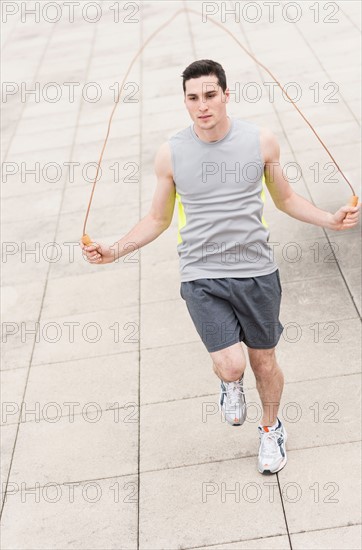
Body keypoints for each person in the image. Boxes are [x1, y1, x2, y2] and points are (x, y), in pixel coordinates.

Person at [80, 59, 360, 475]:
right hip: (202, 275)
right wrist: (115, 249)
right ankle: (230, 384)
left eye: (210, 95)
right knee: (233, 363)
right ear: (185, 102)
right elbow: (157, 219)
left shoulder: (260, 141)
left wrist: (329, 220)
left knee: (264, 363)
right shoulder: (171, 153)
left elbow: (285, 200)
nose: (202, 106)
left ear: (226, 95)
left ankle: (270, 428)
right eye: (193, 98)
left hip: (257, 273)